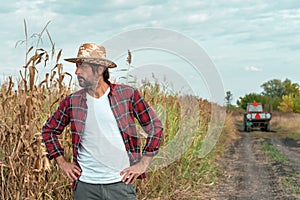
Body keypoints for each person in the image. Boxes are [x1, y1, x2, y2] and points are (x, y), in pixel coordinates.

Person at [42, 43, 163, 200]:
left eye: (82, 67)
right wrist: (62, 163)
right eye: (76, 66)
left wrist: (143, 164)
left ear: (99, 69)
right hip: (85, 187)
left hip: (120, 185)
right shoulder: (72, 101)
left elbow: (155, 127)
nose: (77, 71)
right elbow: (48, 131)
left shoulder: (127, 95)